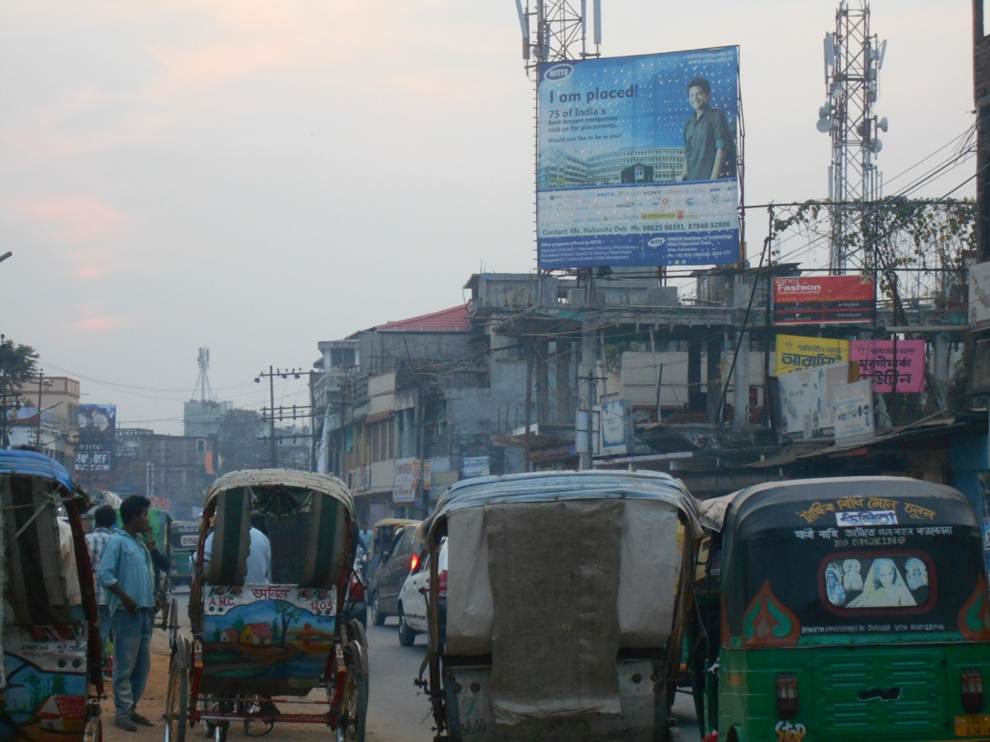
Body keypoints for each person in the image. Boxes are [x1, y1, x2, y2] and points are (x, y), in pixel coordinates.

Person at [97, 496, 156, 732]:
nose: (146, 519)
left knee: (142, 666)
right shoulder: (116, 542)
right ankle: (122, 712)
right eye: (144, 515)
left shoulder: (139, 543)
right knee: (125, 665)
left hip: (144, 612)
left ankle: (131, 709)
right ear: (133, 516)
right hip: (126, 612)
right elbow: (105, 575)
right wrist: (125, 597)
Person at [679, 76, 735, 182]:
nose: (695, 98)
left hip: (710, 182)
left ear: (707, 95)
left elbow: (721, 149)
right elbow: (687, 153)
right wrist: (684, 175)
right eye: (691, 95)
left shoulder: (716, 116)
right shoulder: (689, 124)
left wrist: (713, 180)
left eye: (699, 94)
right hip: (691, 182)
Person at [85, 505, 117, 654]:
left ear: (95, 521)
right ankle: (100, 662)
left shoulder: (86, 539)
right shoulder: (116, 541)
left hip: (89, 595)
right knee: (104, 631)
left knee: (89, 631)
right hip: (110, 595)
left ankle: (92, 662)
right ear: (112, 522)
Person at [203, 522, 271, 584]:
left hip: (226, 593)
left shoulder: (216, 535)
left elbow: (200, 566)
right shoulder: (262, 537)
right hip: (259, 593)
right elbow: (269, 572)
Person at [847, 558, 916, 608]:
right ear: (877, 576)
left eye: (890, 573)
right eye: (883, 575)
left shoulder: (899, 589)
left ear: (894, 573)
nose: (887, 578)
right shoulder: (873, 592)